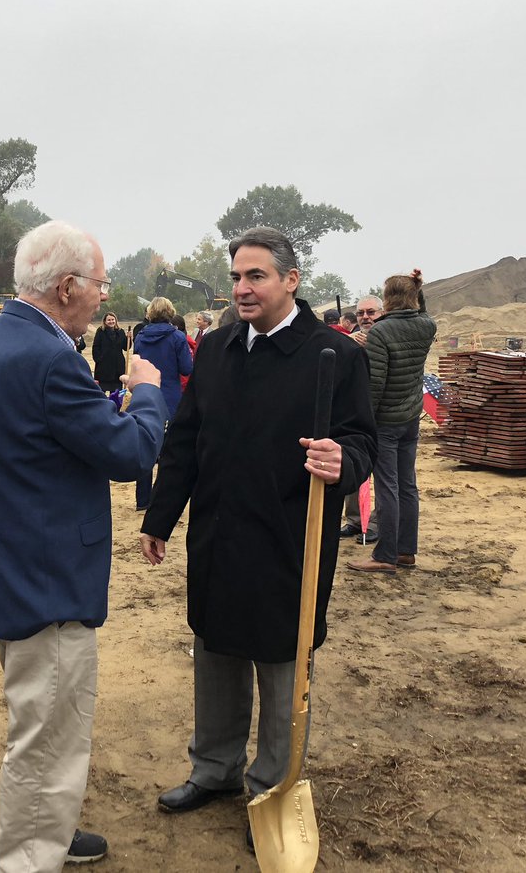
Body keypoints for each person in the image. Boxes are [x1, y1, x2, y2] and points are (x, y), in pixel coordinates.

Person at [139, 227, 376, 851]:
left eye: (257, 277)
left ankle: (272, 786)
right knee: (215, 651)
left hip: (288, 537)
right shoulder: (215, 349)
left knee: (280, 661)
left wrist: (341, 460)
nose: (242, 289)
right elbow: (185, 439)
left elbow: (362, 441)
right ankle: (214, 769)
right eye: (237, 278)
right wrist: (159, 516)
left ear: (291, 281)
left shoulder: (335, 355)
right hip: (218, 531)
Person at [0, 220, 167, 870]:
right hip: (43, 574)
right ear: (69, 286)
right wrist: (148, 394)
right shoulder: (48, 356)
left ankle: (50, 824)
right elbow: (131, 452)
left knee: (43, 720)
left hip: (10, 559)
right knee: (47, 734)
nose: (105, 295)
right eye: (101, 283)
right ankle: (27, 856)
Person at [346, 270, 436, 574]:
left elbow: (376, 385)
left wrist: (363, 422)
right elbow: (421, 311)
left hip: (385, 421)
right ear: (413, 297)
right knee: (407, 485)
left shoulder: (382, 333)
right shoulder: (427, 326)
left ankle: (385, 554)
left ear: (386, 301)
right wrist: (418, 290)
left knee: (387, 487)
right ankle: (406, 551)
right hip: (411, 417)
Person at [132, 297, 193, 510]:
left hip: (145, 395)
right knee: (169, 452)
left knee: (146, 445)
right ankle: (162, 500)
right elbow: (187, 368)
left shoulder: (140, 336)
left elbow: (136, 362)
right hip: (169, 398)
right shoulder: (177, 337)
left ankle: (142, 499)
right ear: (170, 312)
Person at [340, 295, 384, 540]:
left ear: (382, 312)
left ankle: (375, 524)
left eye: (371, 312)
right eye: (361, 313)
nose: (365, 317)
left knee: (383, 476)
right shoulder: (351, 339)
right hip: (356, 415)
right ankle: (355, 520)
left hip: (384, 416)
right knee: (355, 468)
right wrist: (348, 340)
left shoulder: (388, 337)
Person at [91, 312, 127, 393]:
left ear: (116, 320)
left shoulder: (120, 332)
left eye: (113, 320)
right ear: (105, 321)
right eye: (109, 320)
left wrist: (129, 338)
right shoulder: (100, 331)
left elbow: (125, 347)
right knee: (101, 391)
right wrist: (98, 359)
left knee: (116, 393)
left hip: (117, 366)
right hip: (103, 367)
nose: (111, 322)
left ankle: (115, 405)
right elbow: (96, 346)